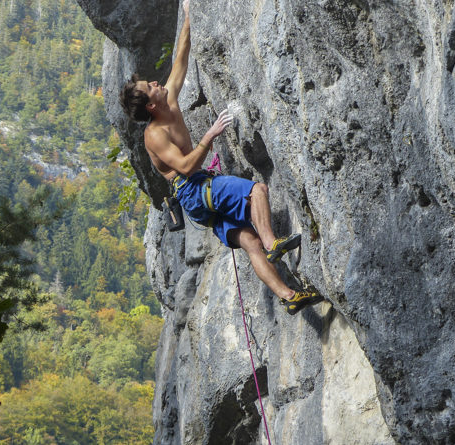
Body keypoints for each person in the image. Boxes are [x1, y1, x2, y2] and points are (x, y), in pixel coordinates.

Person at [118, 0, 322, 315]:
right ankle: (273, 245)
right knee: (257, 191)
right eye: (151, 86)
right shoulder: (154, 136)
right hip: (193, 190)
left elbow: (181, 58)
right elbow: (185, 167)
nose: (157, 83)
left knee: (248, 242)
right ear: (149, 105)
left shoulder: (167, 102)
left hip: (199, 200)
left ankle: (289, 296)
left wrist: (187, 15)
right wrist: (209, 136)